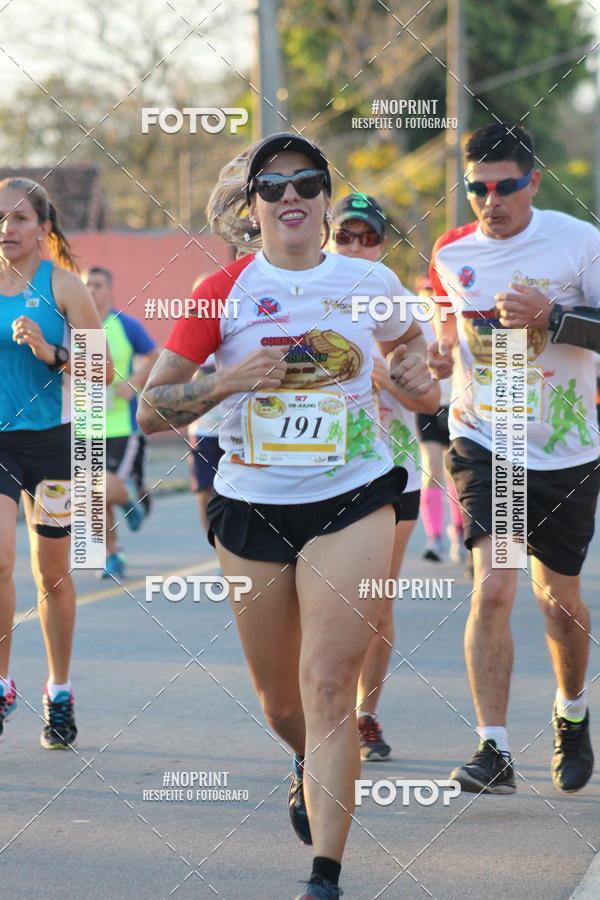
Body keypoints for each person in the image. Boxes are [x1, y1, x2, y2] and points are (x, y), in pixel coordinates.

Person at [138, 134, 433, 900]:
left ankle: (324, 877)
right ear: (253, 206)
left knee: (331, 684)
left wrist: (413, 375)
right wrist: (228, 381)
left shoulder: (372, 282)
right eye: (272, 186)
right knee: (282, 703)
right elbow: (149, 410)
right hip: (252, 504)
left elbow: (423, 383)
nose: (290, 195)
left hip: (355, 493)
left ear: (327, 199)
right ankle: (307, 760)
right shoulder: (220, 291)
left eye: (306, 181)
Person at [428, 123, 600, 794]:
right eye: (476, 188)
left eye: (503, 186)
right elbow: (442, 328)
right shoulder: (451, 254)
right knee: (494, 583)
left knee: (557, 598)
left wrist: (552, 317)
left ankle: (572, 710)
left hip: (566, 447)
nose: (490, 200)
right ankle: (492, 749)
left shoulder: (578, 242)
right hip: (485, 441)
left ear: (532, 179)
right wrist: (434, 354)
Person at [0, 177, 113, 748]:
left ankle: (59, 691)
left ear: (43, 228)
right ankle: (0, 685)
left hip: (50, 443)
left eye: (19, 218)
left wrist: (53, 353)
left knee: (52, 574)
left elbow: (106, 372)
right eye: (0, 218)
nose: (7, 229)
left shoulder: (64, 286)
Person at [330, 193, 440, 760]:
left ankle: (364, 714)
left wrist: (384, 376)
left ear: (382, 244)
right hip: (326, 475)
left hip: (394, 473)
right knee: (320, 605)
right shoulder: (310, 299)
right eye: (344, 235)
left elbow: (430, 398)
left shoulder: (400, 307)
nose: (355, 246)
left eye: (366, 237)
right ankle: (321, 715)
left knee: (375, 603)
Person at [85, 267, 158, 578]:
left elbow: (156, 356)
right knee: (91, 496)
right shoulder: (72, 327)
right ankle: (112, 554)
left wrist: (133, 381)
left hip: (120, 427)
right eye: (86, 284)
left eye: (98, 285)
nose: (91, 290)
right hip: (83, 425)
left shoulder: (124, 325)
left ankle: (129, 498)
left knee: (103, 488)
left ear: (109, 290)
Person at [413, 275, 466, 565]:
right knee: (431, 470)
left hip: (458, 405)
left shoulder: (458, 323)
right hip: (429, 406)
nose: (431, 299)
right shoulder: (414, 327)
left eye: (435, 293)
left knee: (454, 474)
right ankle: (435, 540)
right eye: (426, 293)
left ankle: (458, 533)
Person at [187, 355, 226, 532]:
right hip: (203, 430)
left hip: (238, 429)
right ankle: (213, 543)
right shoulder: (196, 342)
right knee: (204, 491)